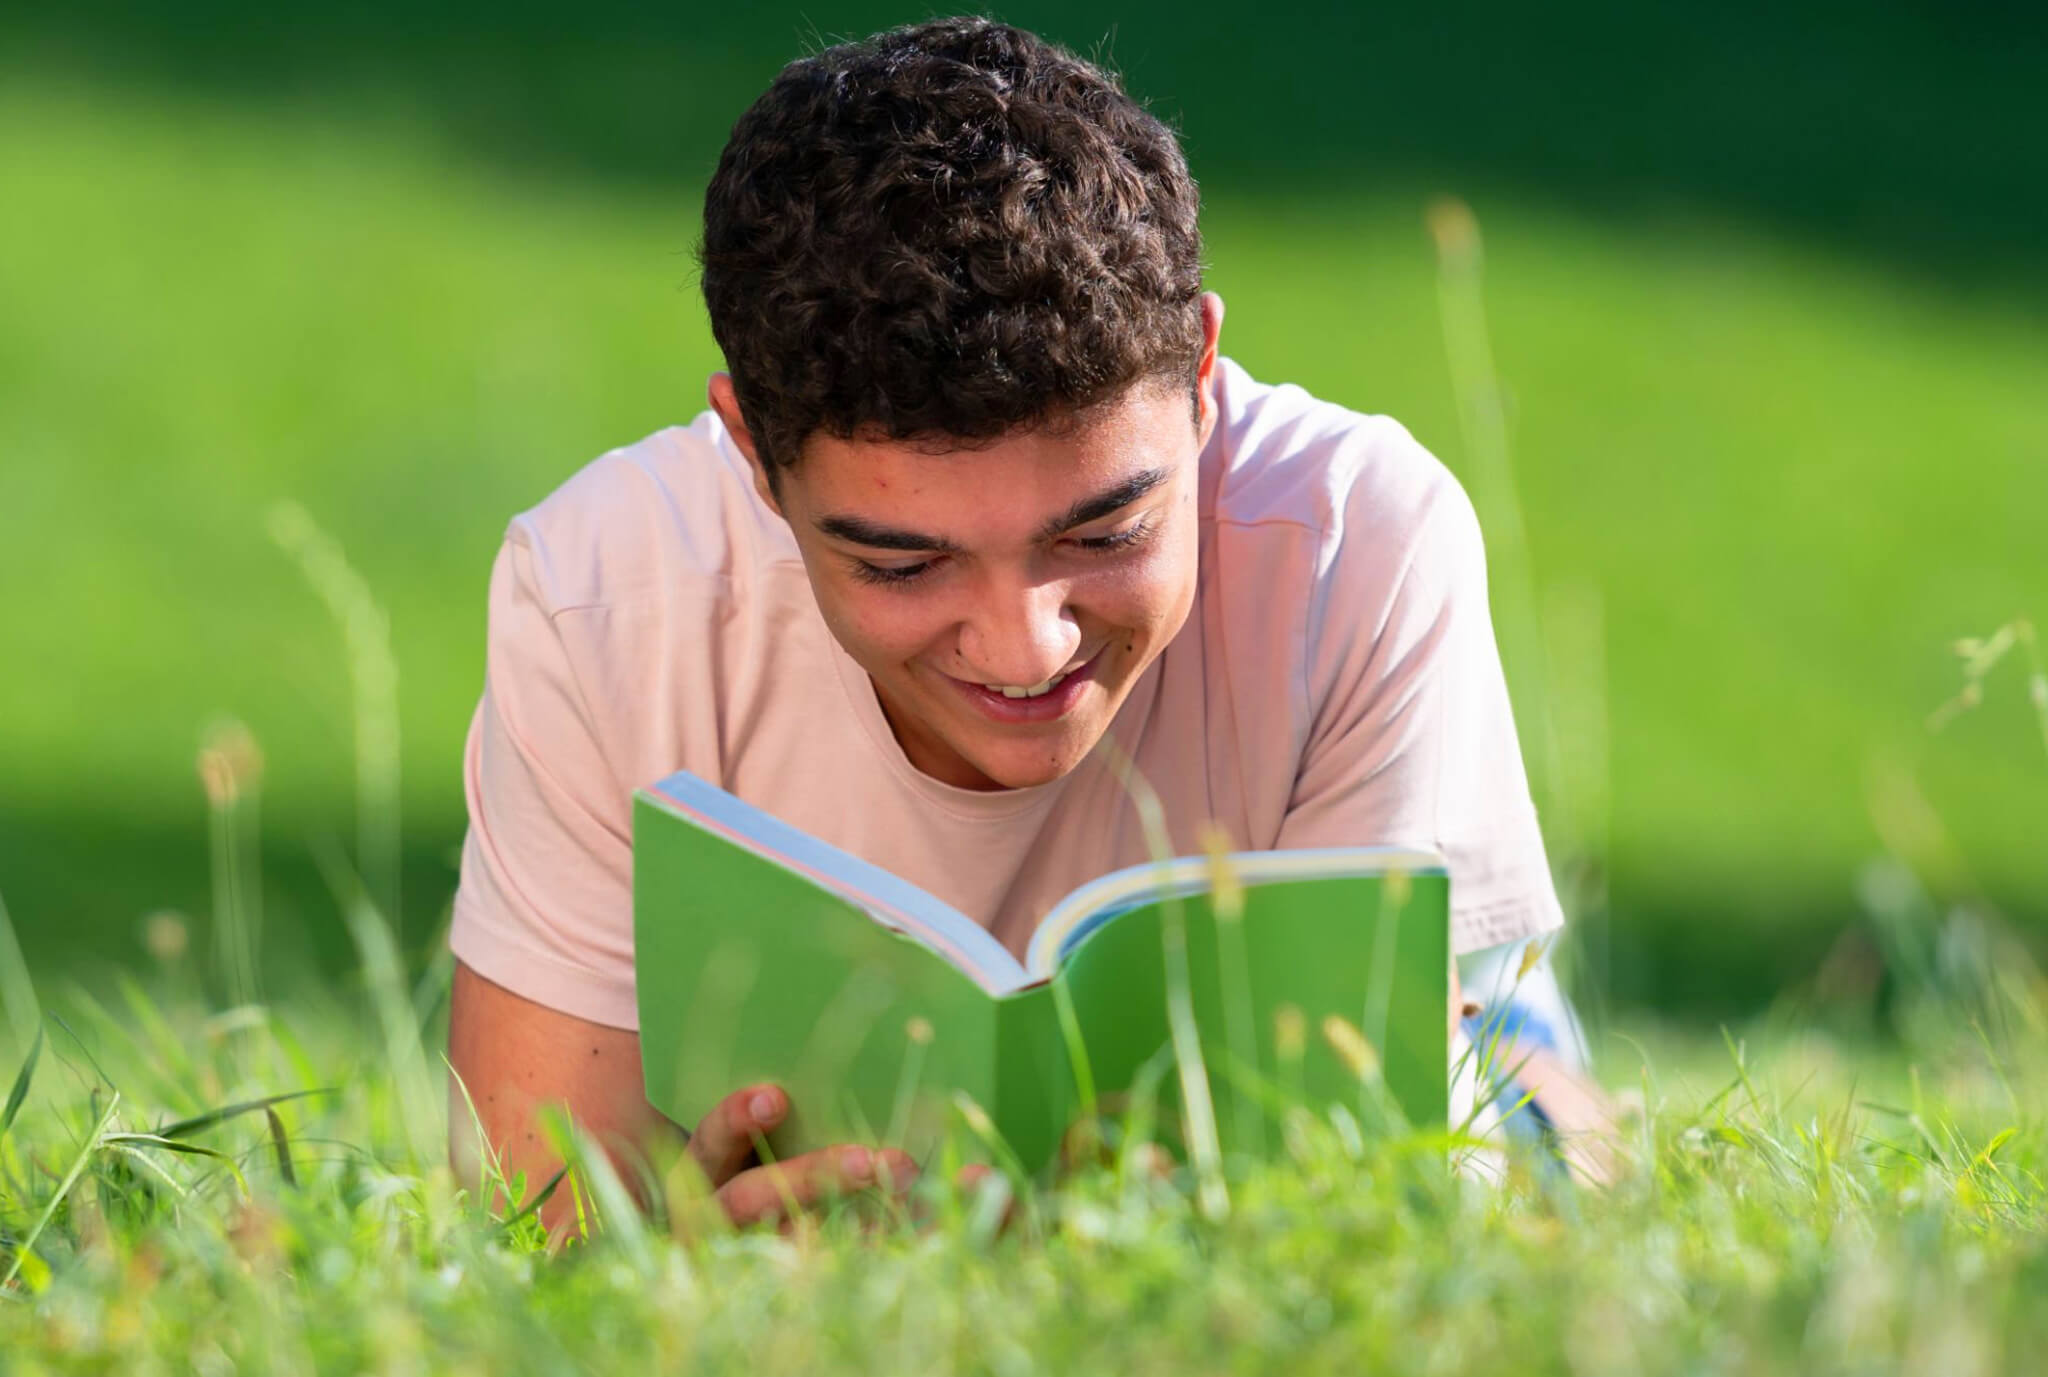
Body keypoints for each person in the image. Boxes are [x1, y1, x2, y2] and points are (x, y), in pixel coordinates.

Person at [446, 16, 1579, 1229]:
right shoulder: (598, 597)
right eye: (903, 562)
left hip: (1459, 1020)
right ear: (752, 456)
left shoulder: (1359, 536)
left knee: (1530, 1131)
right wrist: (685, 1252)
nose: (1026, 648)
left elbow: (1386, 1198)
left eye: (1103, 536)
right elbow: (540, 1220)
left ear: (1200, 380)